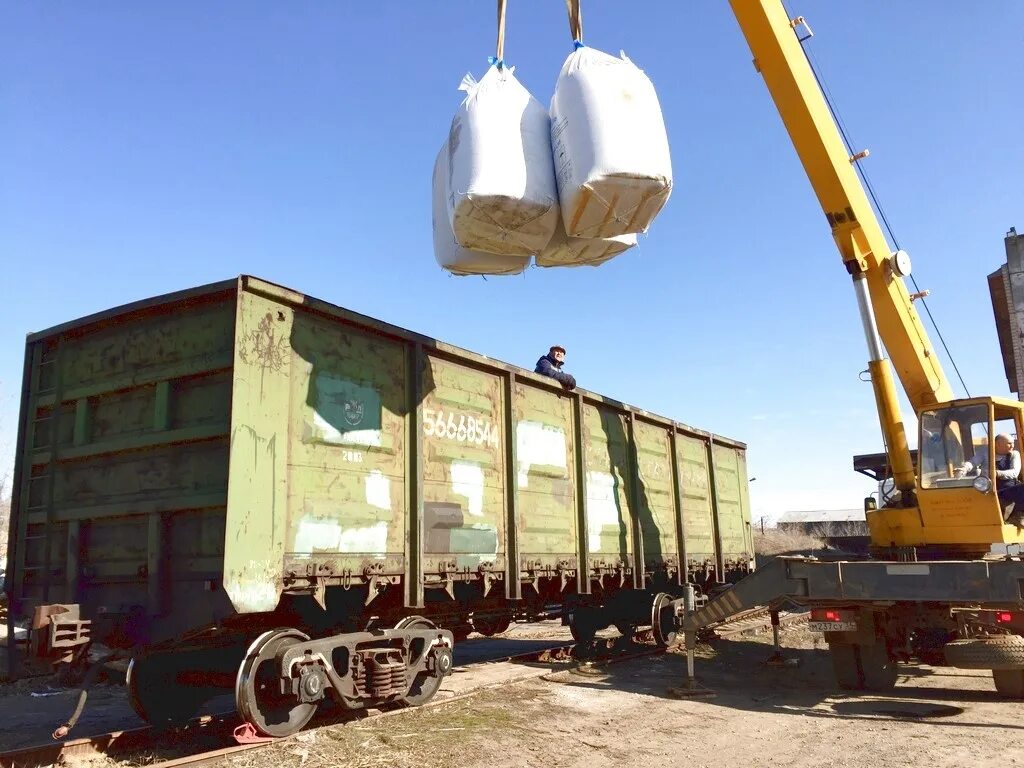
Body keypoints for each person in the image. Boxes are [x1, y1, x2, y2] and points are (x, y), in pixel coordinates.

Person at [958, 434, 1024, 523]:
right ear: (998, 444)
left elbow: (1015, 472)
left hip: (1007, 490)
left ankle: (1017, 515)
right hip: (987, 490)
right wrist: (964, 468)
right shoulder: (985, 452)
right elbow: (973, 462)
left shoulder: (1014, 454)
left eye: (1012, 443)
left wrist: (997, 473)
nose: (1012, 445)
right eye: (1009, 443)